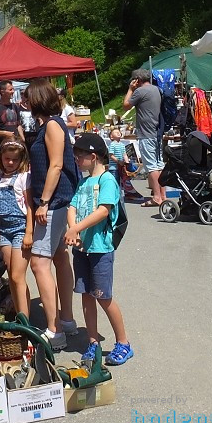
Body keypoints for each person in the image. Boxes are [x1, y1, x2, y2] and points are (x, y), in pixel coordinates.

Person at [66, 132, 133, 366]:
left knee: (103, 296)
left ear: (93, 156)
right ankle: (92, 342)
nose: (76, 159)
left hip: (100, 248)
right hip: (82, 249)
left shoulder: (107, 181)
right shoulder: (84, 182)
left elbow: (104, 210)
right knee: (85, 295)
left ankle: (123, 342)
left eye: (79, 155)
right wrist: (73, 228)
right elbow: (72, 206)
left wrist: (76, 229)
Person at [25, 78, 79, 350]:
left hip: (55, 201)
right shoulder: (50, 125)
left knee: (39, 262)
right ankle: (66, 320)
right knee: (59, 257)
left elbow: (56, 165)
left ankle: (55, 329)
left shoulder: (53, 126)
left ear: (35, 100)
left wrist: (44, 202)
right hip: (56, 200)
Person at [0, 139, 33, 317]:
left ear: (21, 160)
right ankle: (19, 313)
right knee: (11, 275)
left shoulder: (24, 177)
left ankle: (26, 321)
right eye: (7, 159)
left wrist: (29, 232)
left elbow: (30, 205)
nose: (10, 163)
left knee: (17, 276)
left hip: (19, 228)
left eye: (14, 160)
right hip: (2, 230)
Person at [123, 69, 164, 207]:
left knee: (151, 166)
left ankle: (157, 197)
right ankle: (162, 195)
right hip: (157, 132)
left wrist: (130, 89)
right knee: (159, 165)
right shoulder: (156, 89)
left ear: (137, 80)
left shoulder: (140, 92)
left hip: (146, 133)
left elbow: (126, 105)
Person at [0, 80, 23, 149]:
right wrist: (4, 133)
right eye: (10, 90)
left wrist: (22, 139)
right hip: (1, 147)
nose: (13, 91)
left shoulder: (15, 106)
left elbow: (18, 125)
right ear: (2, 91)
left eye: (13, 89)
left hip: (15, 144)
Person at [107, 127, 141, 201]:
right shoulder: (112, 144)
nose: (118, 133)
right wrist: (118, 161)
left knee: (124, 180)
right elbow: (111, 155)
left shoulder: (122, 145)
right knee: (114, 181)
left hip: (122, 166)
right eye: (116, 132)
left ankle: (126, 193)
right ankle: (113, 194)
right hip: (114, 167)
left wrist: (127, 162)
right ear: (111, 137)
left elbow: (124, 154)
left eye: (119, 132)